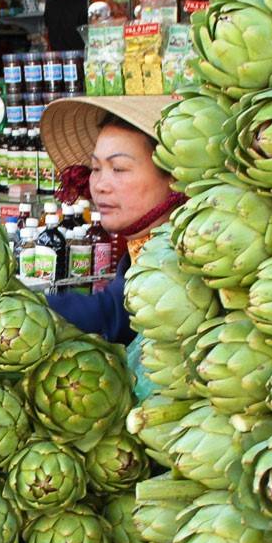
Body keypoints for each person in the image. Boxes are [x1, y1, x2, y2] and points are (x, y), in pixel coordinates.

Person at [41, 95, 183, 351]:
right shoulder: (138, 252)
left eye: (118, 168)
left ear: (175, 177)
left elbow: (112, 313)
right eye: (96, 168)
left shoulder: (184, 258)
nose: (100, 186)